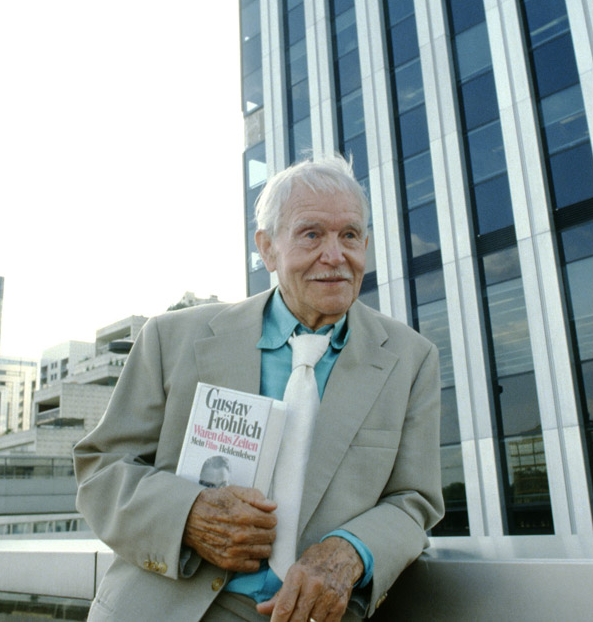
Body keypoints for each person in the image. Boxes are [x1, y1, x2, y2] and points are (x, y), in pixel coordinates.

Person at [73, 155, 444, 622]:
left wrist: (349, 552)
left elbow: (415, 501)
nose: (335, 255)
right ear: (267, 249)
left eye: (349, 235)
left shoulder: (412, 359)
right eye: (311, 234)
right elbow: (101, 471)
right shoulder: (171, 338)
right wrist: (188, 515)